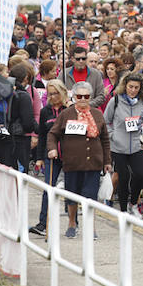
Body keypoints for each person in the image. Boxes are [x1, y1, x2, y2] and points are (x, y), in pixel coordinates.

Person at [47, 80, 112, 239]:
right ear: (74, 97)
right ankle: (72, 223)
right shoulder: (66, 114)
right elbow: (53, 134)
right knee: (72, 194)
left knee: (91, 196)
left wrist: (107, 161)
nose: (83, 99)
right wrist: (52, 149)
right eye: (79, 96)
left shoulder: (97, 114)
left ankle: (91, 227)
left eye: (86, 96)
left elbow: (105, 139)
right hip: (73, 162)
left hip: (93, 163)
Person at [103, 72, 143, 215]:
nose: (133, 90)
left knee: (140, 175)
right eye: (130, 87)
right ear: (125, 86)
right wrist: (112, 135)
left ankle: (133, 203)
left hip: (137, 145)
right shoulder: (115, 101)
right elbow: (105, 121)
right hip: (118, 146)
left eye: (136, 87)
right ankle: (123, 209)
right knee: (123, 177)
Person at [29, 79, 69, 237]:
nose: (53, 97)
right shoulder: (46, 111)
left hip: (69, 154)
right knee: (48, 188)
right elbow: (42, 136)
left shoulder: (69, 108)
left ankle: (73, 223)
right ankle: (43, 223)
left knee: (71, 189)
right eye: (49, 94)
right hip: (50, 154)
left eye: (55, 93)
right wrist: (39, 158)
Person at [8, 63, 38, 173]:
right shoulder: (23, 95)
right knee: (20, 172)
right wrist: (34, 129)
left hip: (5, 136)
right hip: (20, 138)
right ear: (26, 78)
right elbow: (27, 122)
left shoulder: (6, 91)